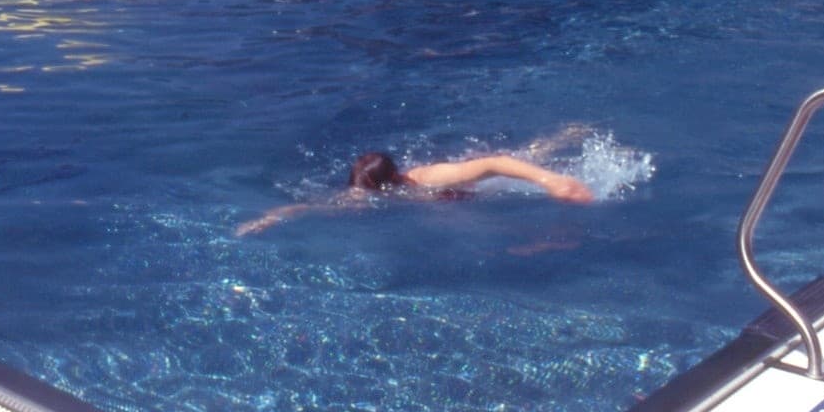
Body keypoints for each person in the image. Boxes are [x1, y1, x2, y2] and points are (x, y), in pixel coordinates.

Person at [236, 150, 594, 235]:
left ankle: (561, 141)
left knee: (530, 155)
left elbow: (495, 162)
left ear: (392, 183)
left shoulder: (432, 179)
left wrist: (550, 181)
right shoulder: (368, 192)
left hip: (471, 187)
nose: (361, 201)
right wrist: (270, 217)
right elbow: (313, 205)